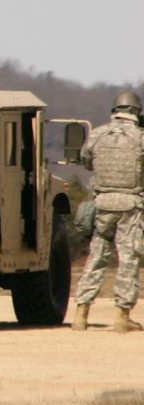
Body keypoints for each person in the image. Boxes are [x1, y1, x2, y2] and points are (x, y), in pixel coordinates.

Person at [72, 90, 144, 332]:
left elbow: (86, 161)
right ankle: (122, 315)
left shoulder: (97, 134)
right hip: (130, 205)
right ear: (136, 112)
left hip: (102, 204)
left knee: (96, 256)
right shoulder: (140, 137)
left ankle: (81, 313)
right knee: (128, 257)